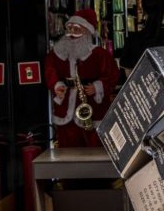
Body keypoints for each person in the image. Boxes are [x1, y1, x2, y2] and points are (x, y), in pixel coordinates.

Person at [44, 9, 118, 148]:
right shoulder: (57, 54)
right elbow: (50, 70)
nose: (71, 33)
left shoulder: (99, 54)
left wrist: (97, 86)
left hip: (92, 107)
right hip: (66, 110)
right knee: (67, 149)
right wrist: (56, 85)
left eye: (77, 29)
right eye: (69, 28)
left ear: (87, 31)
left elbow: (112, 75)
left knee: (94, 148)